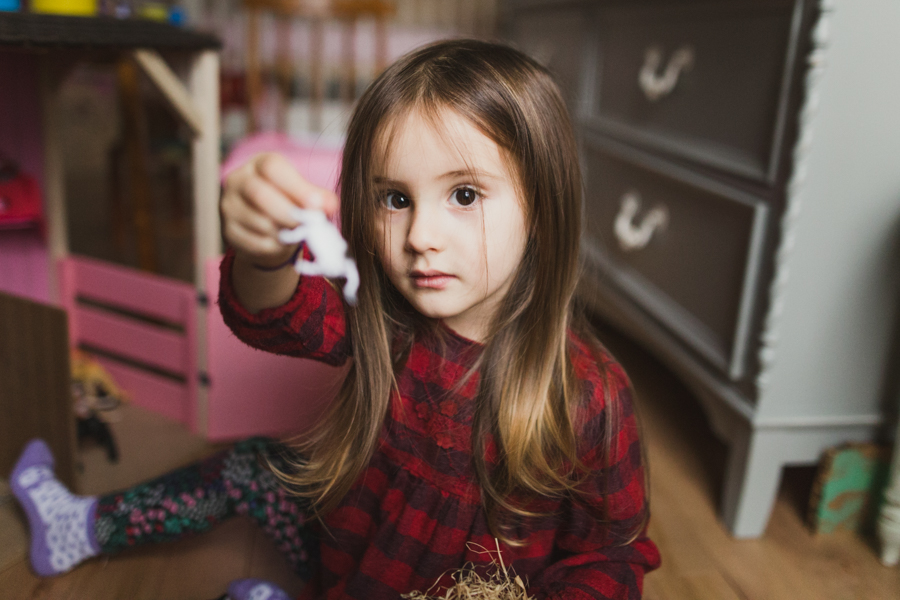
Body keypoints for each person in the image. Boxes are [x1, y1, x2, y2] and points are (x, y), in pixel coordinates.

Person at [10, 39, 660, 599]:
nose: (421, 235)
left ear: (543, 206)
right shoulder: (388, 316)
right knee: (254, 461)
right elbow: (272, 316)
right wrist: (266, 256)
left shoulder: (590, 397)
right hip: (346, 560)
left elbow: (610, 558)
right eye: (395, 199)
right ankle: (78, 525)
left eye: (464, 195)